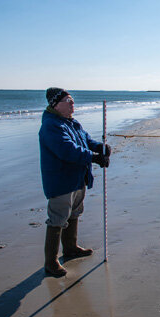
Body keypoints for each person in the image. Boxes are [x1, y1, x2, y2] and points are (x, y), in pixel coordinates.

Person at [39, 88, 111, 277]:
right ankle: (51, 262)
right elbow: (67, 150)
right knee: (58, 218)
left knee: (74, 212)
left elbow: (85, 140)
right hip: (60, 180)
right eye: (67, 100)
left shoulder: (72, 122)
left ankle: (70, 247)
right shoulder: (51, 125)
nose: (72, 103)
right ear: (56, 104)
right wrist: (94, 158)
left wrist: (99, 147)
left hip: (77, 178)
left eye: (72, 100)